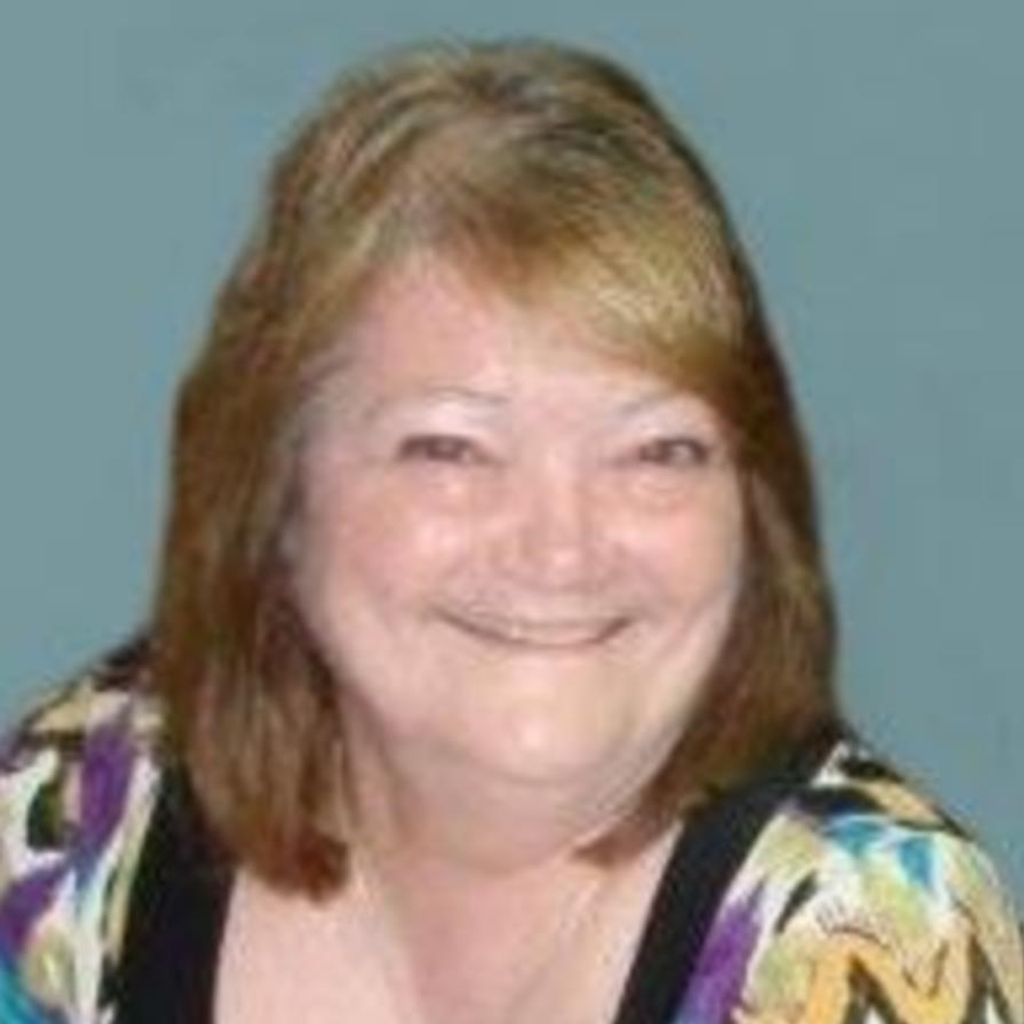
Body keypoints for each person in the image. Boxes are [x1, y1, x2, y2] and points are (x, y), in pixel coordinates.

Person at [0, 38, 1020, 1024]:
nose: (560, 548)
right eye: (452, 449)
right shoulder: (80, 808)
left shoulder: (871, 940)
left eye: (656, 451)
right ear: (274, 491)